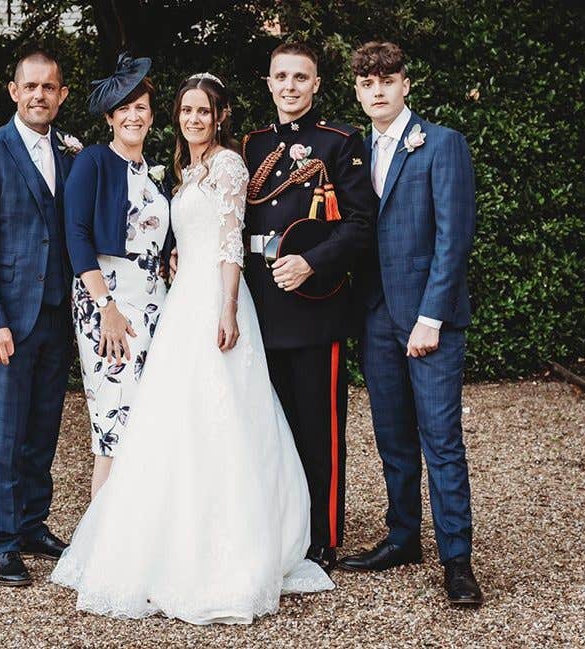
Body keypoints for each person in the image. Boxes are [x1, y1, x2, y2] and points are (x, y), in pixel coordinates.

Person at [51, 72, 333, 625]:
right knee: (168, 418)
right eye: (186, 111)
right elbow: (159, 233)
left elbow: (230, 242)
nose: (194, 119)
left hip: (212, 302)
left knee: (220, 413)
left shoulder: (227, 164)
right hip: (175, 303)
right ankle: (154, 532)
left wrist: (226, 306)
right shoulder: (184, 170)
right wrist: (172, 258)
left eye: (203, 111)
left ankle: (223, 542)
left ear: (219, 115)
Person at [338, 41, 483, 607]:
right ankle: (402, 538)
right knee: (392, 438)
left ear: (405, 85)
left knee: (441, 441)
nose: (377, 90)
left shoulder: (441, 144)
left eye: (387, 80)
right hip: (373, 314)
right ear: (357, 90)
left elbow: (454, 238)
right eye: (367, 82)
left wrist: (432, 317)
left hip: (428, 320)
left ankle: (457, 560)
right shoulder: (354, 150)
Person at [240, 42, 375, 571]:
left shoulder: (340, 143)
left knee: (319, 430)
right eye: (281, 76)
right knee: (266, 426)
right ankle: (277, 528)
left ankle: (323, 536)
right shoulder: (250, 146)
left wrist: (312, 263)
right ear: (268, 82)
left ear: (316, 84)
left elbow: (361, 225)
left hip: (314, 307)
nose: (290, 86)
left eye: (301, 77)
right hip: (259, 309)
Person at [0, 48, 77, 587]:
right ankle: (3, 541)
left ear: (61, 94)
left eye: (48, 88)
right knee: (5, 433)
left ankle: (32, 524)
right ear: (14, 91)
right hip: (8, 321)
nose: (38, 96)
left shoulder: (71, 155)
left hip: (56, 316)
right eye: (30, 86)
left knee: (43, 428)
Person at [64, 53, 173, 497]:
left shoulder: (155, 174)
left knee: (150, 418)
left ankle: (143, 530)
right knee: (113, 421)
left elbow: (160, 238)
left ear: (150, 116)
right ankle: (102, 546)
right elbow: (76, 235)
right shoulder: (92, 162)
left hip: (155, 305)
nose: (133, 115)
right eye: (124, 107)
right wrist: (105, 308)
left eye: (141, 107)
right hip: (106, 303)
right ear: (110, 116)